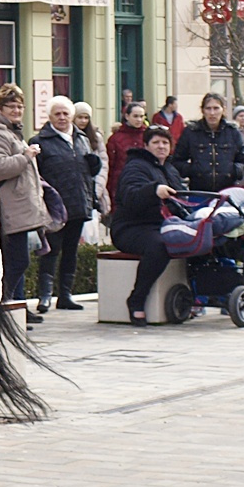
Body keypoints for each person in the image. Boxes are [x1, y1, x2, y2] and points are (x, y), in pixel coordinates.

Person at [0, 84, 50, 325]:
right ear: (0, 108)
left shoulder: (11, 132)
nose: (17, 110)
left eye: (20, 106)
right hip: (7, 211)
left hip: (18, 211)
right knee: (15, 261)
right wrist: (25, 157)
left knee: (17, 261)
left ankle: (2, 307)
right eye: (11, 106)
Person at [30, 97, 101, 313]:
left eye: (65, 114)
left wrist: (93, 167)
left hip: (78, 203)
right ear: (50, 117)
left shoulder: (81, 139)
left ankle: (66, 295)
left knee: (71, 251)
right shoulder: (40, 140)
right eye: (57, 114)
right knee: (51, 251)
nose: (62, 118)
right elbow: (36, 175)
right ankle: (44, 296)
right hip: (54, 206)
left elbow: (88, 171)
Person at [110, 126, 186, 327]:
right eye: (156, 142)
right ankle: (137, 300)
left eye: (165, 143)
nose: (161, 146)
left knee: (195, 238)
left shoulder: (171, 170)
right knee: (159, 246)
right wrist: (154, 190)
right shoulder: (136, 166)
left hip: (161, 225)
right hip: (130, 227)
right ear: (146, 146)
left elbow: (182, 199)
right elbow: (130, 197)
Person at [172, 93, 244, 193]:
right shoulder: (191, 132)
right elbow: (177, 160)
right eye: (208, 108)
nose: (212, 113)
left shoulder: (232, 132)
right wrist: (193, 170)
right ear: (202, 110)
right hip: (199, 191)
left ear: (223, 109)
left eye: (216, 108)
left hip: (227, 191)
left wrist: (233, 170)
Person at [73, 102, 111, 240]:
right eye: (80, 117)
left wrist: (98, 188)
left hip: (94, 189)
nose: (83, 121)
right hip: (77, 189)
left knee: (91, 232)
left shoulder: (96, 137)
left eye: (86, 117)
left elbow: (104, 163)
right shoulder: (69, 137)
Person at [106, 102, 147, 210]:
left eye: (141, 116)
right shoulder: (115, 139)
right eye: (135, 116)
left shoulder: (148, 136)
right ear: (127, 116)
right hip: (120, 184)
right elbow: (110, 166)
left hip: (144, 182)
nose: (139, 120)